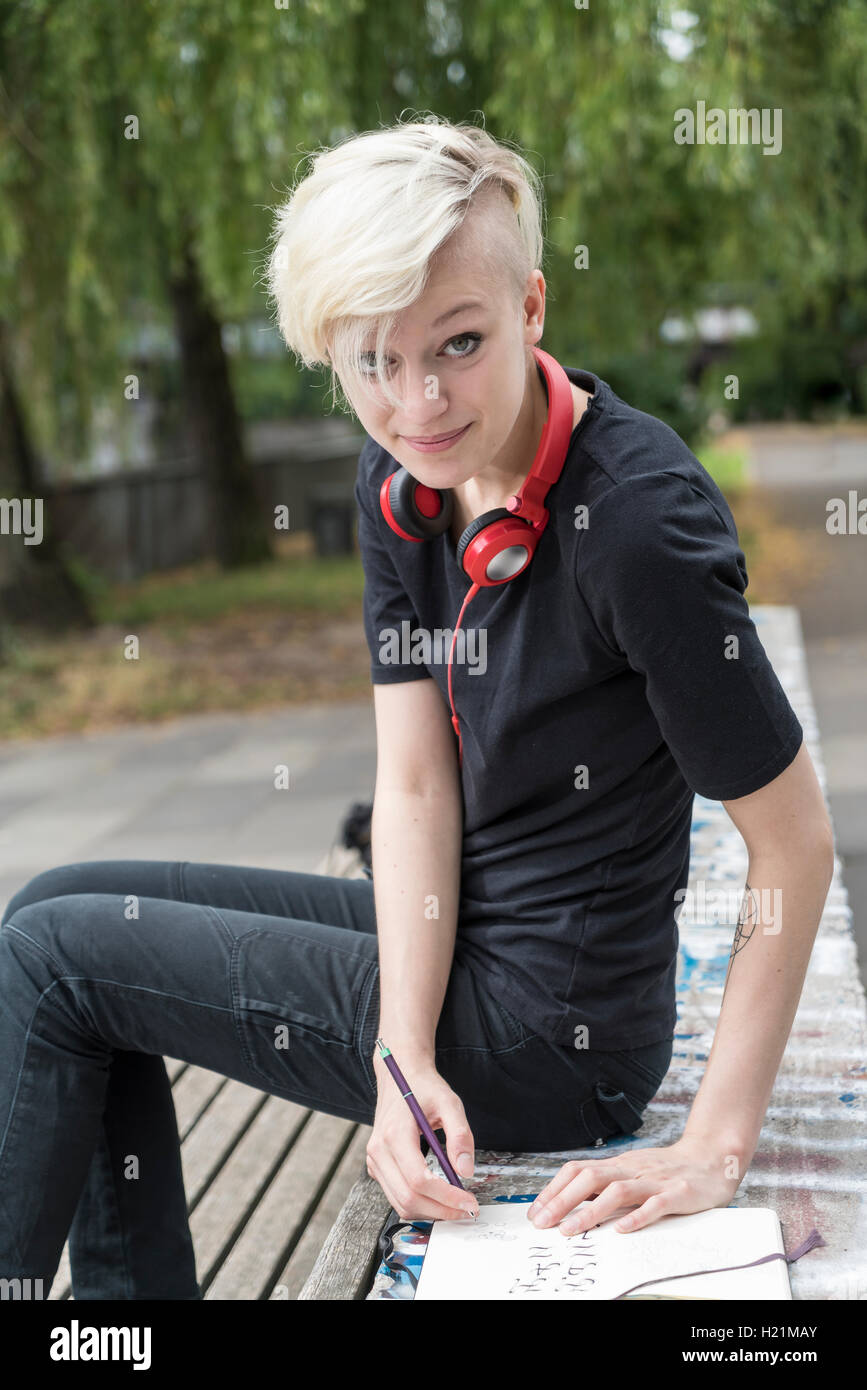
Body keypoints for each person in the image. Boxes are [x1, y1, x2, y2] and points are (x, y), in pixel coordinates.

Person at [0, 117, 834, 1300]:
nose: (420, 401)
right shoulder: (402, 475)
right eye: (373, 365)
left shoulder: (639, 528)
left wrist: (716, 1141)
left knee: (53, 960)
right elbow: (413, 782)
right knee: (55, 909)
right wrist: (401, 1051)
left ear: (534, 307)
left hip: (555, 1038)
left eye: (459, 344)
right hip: (453, 958)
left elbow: (793, 843)